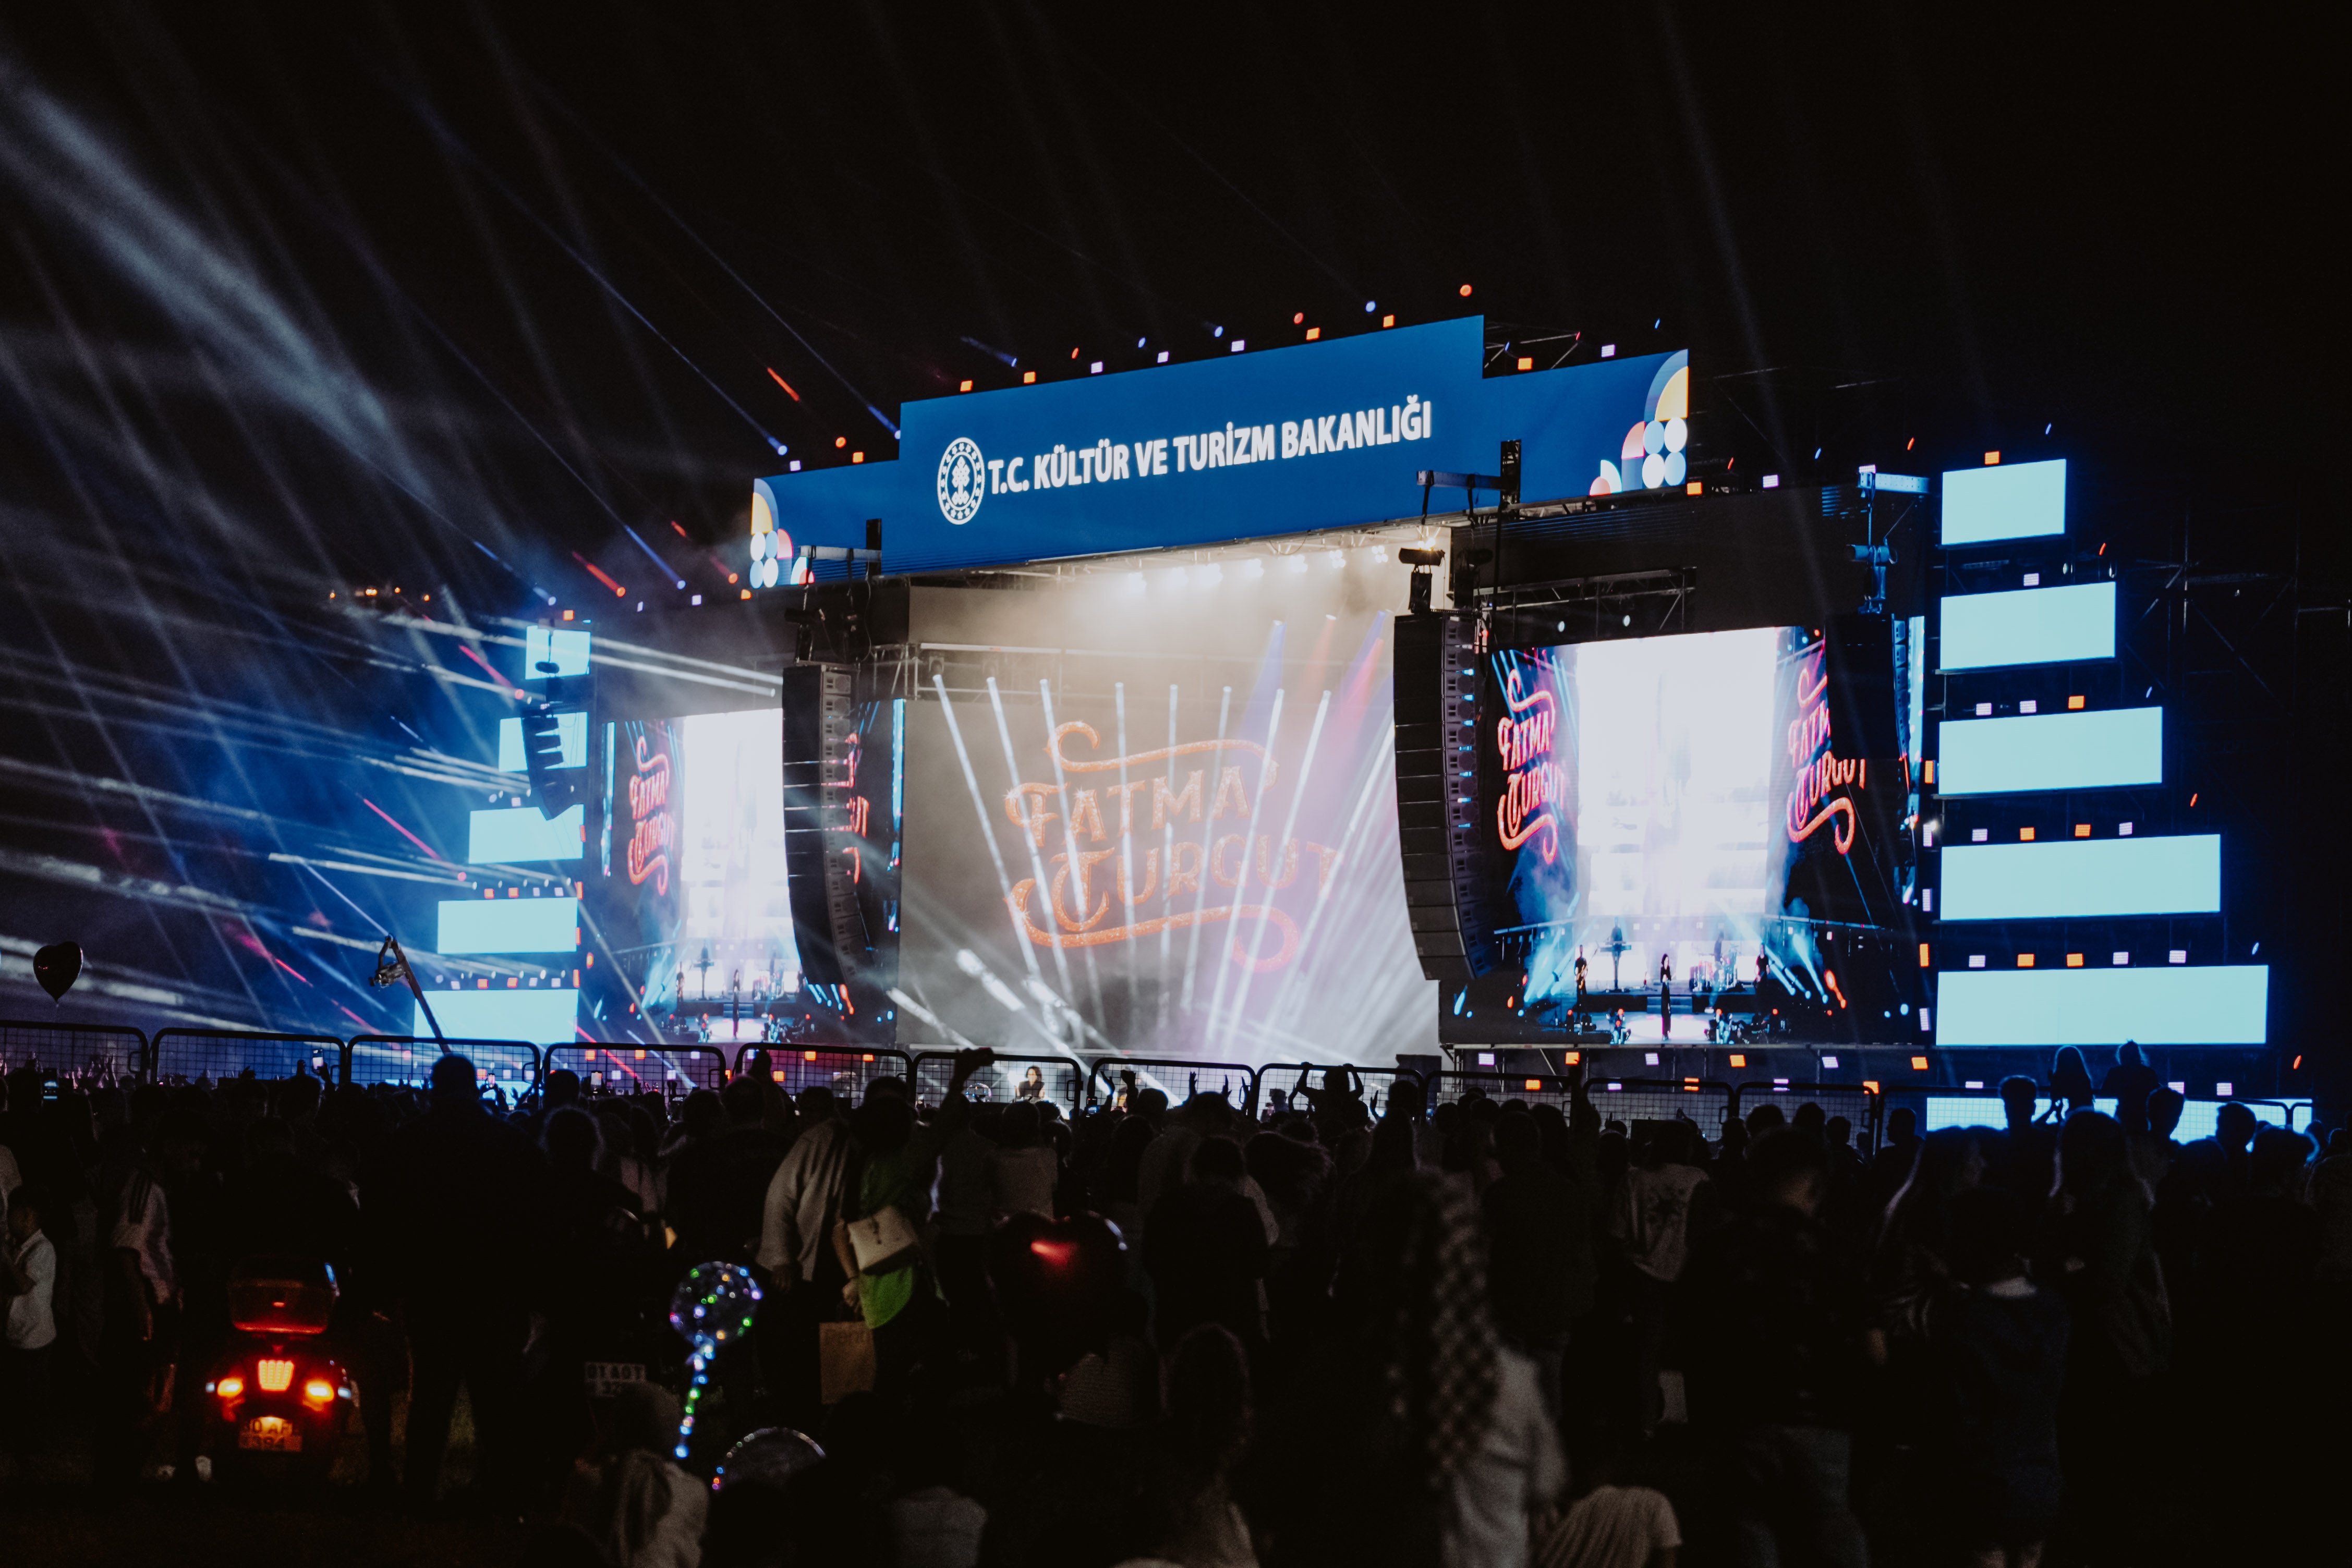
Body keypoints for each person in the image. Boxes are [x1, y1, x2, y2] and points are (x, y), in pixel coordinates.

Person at [370, 1053, 553, 1505]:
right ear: (474, 1088)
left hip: (430, 1288)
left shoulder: (408, 1143)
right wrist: (532, 1291)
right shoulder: (512, 1144)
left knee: (430, 1394)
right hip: (496, 1289)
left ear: (434, 1088)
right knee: (496, 1398)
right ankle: (501, 1493)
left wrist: (390, 1286)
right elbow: (537, 1222)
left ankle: (419, 1490)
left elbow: (385, 1219)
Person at [1683, 1129, 1869, 1568]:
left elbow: (1691, 1330)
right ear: (1818, 1183)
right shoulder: (1834, 1249)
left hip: (1740, 1414)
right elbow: (1870, 1344)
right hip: (1821, 1417)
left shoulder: (1721, 1245)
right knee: (1830, 1530)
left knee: (1747, 1531)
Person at [1920, 1188, 2067, 1568]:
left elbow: (1955, 1414)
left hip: (1982, 1486)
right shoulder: (2053, 1309)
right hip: (2041, 1479)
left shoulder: (1964, 1321)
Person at [1144, 1137, 1269, 1351]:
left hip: (1177, 1313)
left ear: (1196, 1167)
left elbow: (1150, 1258)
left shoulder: (1167, 1206)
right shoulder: (1242, 1210)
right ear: (1237, 1171)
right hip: (1232, 1318)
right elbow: (1260, 1265)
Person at [2, 1185, 58, 1465]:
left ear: (28, 1216)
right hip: (20, 1335)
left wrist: (4, 1257)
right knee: (19, 1393)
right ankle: (23, 1447)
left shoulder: (43, 1249)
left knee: (32, 1397)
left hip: (34, 1339)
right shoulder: (21, 1246)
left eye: (11, 1213)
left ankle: (33, 1452)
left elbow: (23, 1285)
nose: (7, 1218)